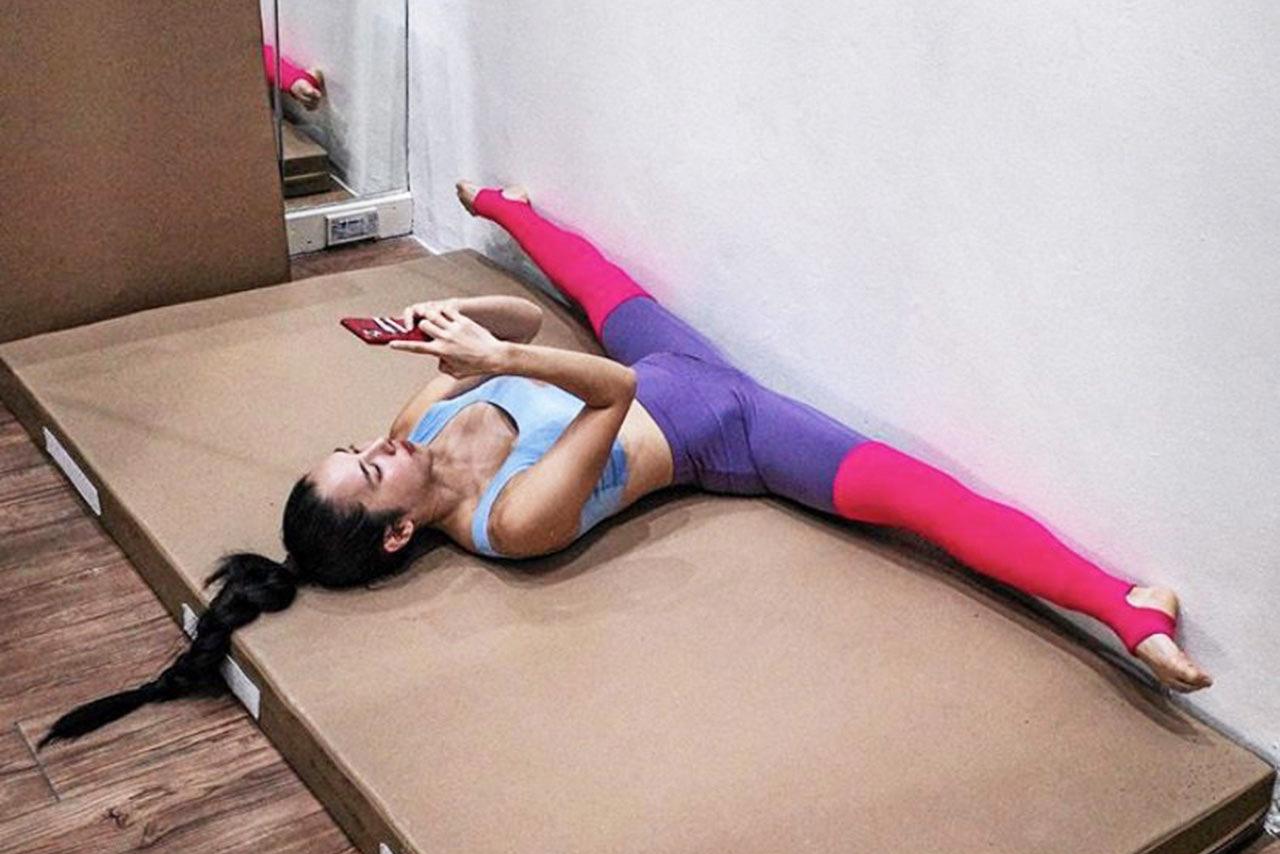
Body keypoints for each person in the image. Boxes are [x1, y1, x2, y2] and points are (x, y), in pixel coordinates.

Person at [37, 180, 1211, 750]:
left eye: (356, 446)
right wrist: (497, 357)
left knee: (596, 281)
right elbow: (609, 390)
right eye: (372, 470)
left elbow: (531, 326)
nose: (380, 445)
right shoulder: (510, 524)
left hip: (668, 363)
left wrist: (464, 324)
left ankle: (505, 202)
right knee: (925, 501)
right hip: (731, 432)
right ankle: (1127, 608)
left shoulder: (416, 417)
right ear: (396, 531)